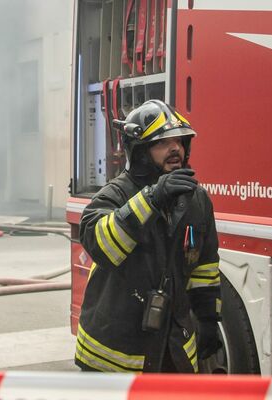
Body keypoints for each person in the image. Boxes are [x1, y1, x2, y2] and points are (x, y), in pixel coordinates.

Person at [74, 100, 220, 373]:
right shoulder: (114, 195)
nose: (175, 148)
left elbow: (205, 267)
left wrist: (209, 320)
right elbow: (102, 246)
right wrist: (152, 199)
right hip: (115, 356)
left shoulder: (197, 200)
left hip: (174, 348)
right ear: (140, 152)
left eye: (179, 141)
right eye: (162, 143)